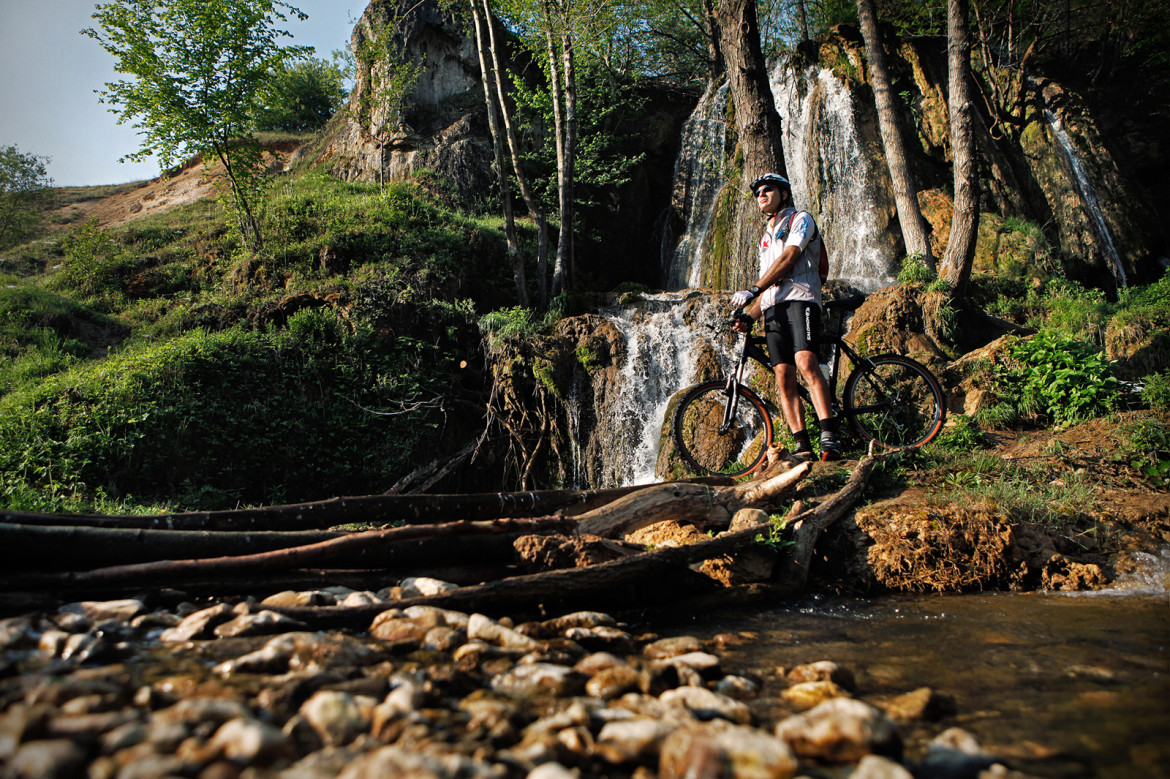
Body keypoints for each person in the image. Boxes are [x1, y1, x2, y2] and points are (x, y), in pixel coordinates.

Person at [731, 173, 841, 462]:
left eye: (768, 190)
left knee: (806, 362)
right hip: (773, 309)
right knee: (782, 376)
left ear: (784, 193)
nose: (761, 195)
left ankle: (829, 435)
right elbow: (769, 287)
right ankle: (802, 444)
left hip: (802, 299)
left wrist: (752, 289)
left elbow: (790, 258)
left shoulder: (801, 219)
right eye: (757, 193)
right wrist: (751, 315)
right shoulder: (765, 238)